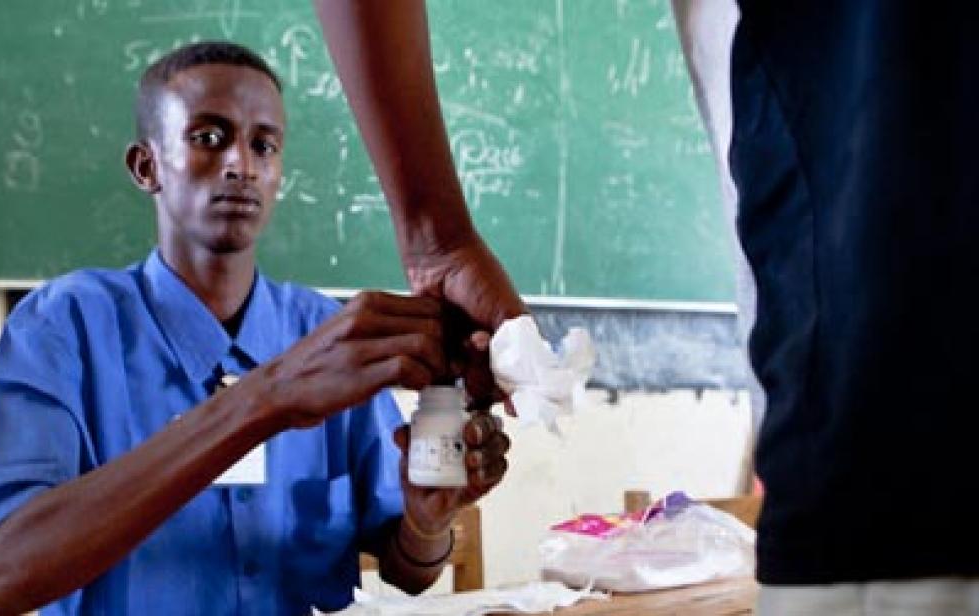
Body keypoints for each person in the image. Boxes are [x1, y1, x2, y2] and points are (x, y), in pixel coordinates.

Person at [313, 1, 979, 614]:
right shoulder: (322, 341)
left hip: (902, 461)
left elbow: (410, 560)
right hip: (901, 461)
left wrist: (438, 237)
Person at [0, 41, 510, 616]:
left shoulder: (327, 331)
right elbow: (1, 578)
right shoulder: (63, 328)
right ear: (147, 167)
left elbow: (408, 570)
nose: (241, 164)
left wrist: (426, 521)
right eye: (207, 138)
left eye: (264, 145)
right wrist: (265, 398)